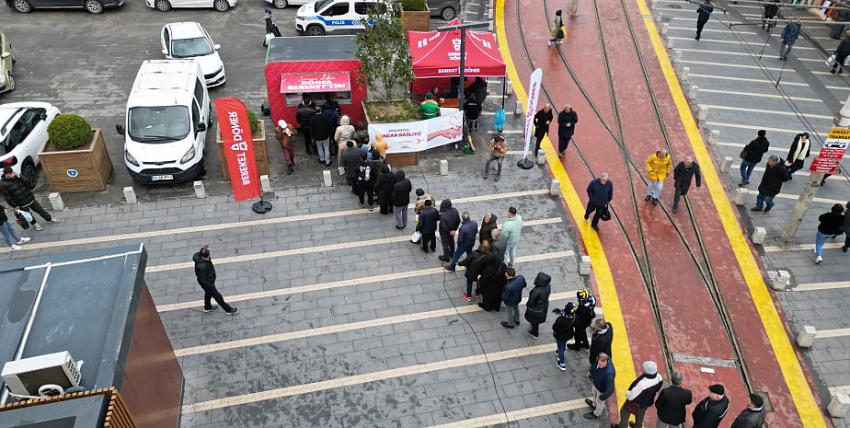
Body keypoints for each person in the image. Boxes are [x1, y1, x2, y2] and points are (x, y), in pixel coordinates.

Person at [192, 246, 238, 315]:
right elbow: (202, 280)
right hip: (208, 284)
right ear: (207, 255)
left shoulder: (201, 257)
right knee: (218, 297)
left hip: (209, 281)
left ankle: (207, 307)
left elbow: (203, 251)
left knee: (208, 294)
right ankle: (228, 310)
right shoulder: (202, 266)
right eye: (209, 251)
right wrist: (210, 286)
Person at [617, 361, 663, 428]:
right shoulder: (659, 378)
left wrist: (627, 393)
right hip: (647, 402)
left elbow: (631, 397)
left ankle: (622, 426)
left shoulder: (642, 384)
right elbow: (657, 389)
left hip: (635, 403)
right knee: (640, 415)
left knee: (624, 413)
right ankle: (637, 426)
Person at [583, 352, 616, 420]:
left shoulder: (609, 374)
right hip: (596, 383)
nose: (600, 365)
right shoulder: (599, 359)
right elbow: (594, 366)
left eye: (603, 364)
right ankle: (594, 404)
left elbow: (611, 389)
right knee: (593, 393)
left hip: (602, 390)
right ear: (598, 359)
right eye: (599, 363)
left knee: (600, 402)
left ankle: (596, 413)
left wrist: (603, 397)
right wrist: (590, 371)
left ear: (606, 361)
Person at [524, 272, 551, 338]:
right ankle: (533, 325)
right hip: (544, 305)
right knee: (536, 320)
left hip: (536, 309)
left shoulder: (536, 291)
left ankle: (534, 333)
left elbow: (530, 302)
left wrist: (527, 305)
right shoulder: (547, 286)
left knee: (535, 320)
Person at [552, 302, 576, 371]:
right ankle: (559, 351)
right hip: (568, 335)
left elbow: (555, 327)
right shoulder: (574, 317)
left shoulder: (561, 319)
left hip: (560, 335)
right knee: (563, 344)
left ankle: (562, 364)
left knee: (560, 348)